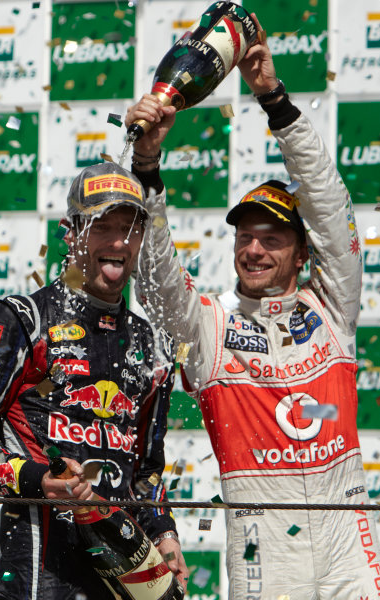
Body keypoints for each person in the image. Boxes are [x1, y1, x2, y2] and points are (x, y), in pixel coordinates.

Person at [124, 15, 380, 600]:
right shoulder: (210, 327)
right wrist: (148, 169)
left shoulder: (332, 306)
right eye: (245, 236)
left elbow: (329, 204)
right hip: (267, 565)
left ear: (301, 254)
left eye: (273, 237)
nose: (255, 248)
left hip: (352, 558)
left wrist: (273, 97)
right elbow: (157, 279)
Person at [0, 162, 188, 600]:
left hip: (123, 575)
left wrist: (165, 535)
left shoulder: (154, 344)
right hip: (36, 576)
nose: (118, 241)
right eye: (103, 226)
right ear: (70, 232)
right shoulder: (22, 319)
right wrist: (37, 478)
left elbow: (145, 472)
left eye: (130, 228)